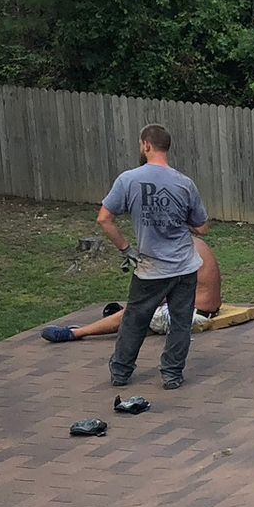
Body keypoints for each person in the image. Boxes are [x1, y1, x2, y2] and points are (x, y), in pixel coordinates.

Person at [95, 124, 210, 390]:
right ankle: (172, 375)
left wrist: (126, 250)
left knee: (135, 318)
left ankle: (121, 372)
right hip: (184, 267)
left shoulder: (128, 180)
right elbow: (202, 227)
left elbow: (104, 219)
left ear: (146, 145)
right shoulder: (184, 183)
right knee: (180, 322)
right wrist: (182, 222)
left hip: (150, 267)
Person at [43, 236, 223, 343]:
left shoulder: (176, 250)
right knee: (137, 309)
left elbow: (156, 293)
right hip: (204, 308)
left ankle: (75, 333)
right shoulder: (194, 242)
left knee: (135, 311)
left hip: (191, 315)